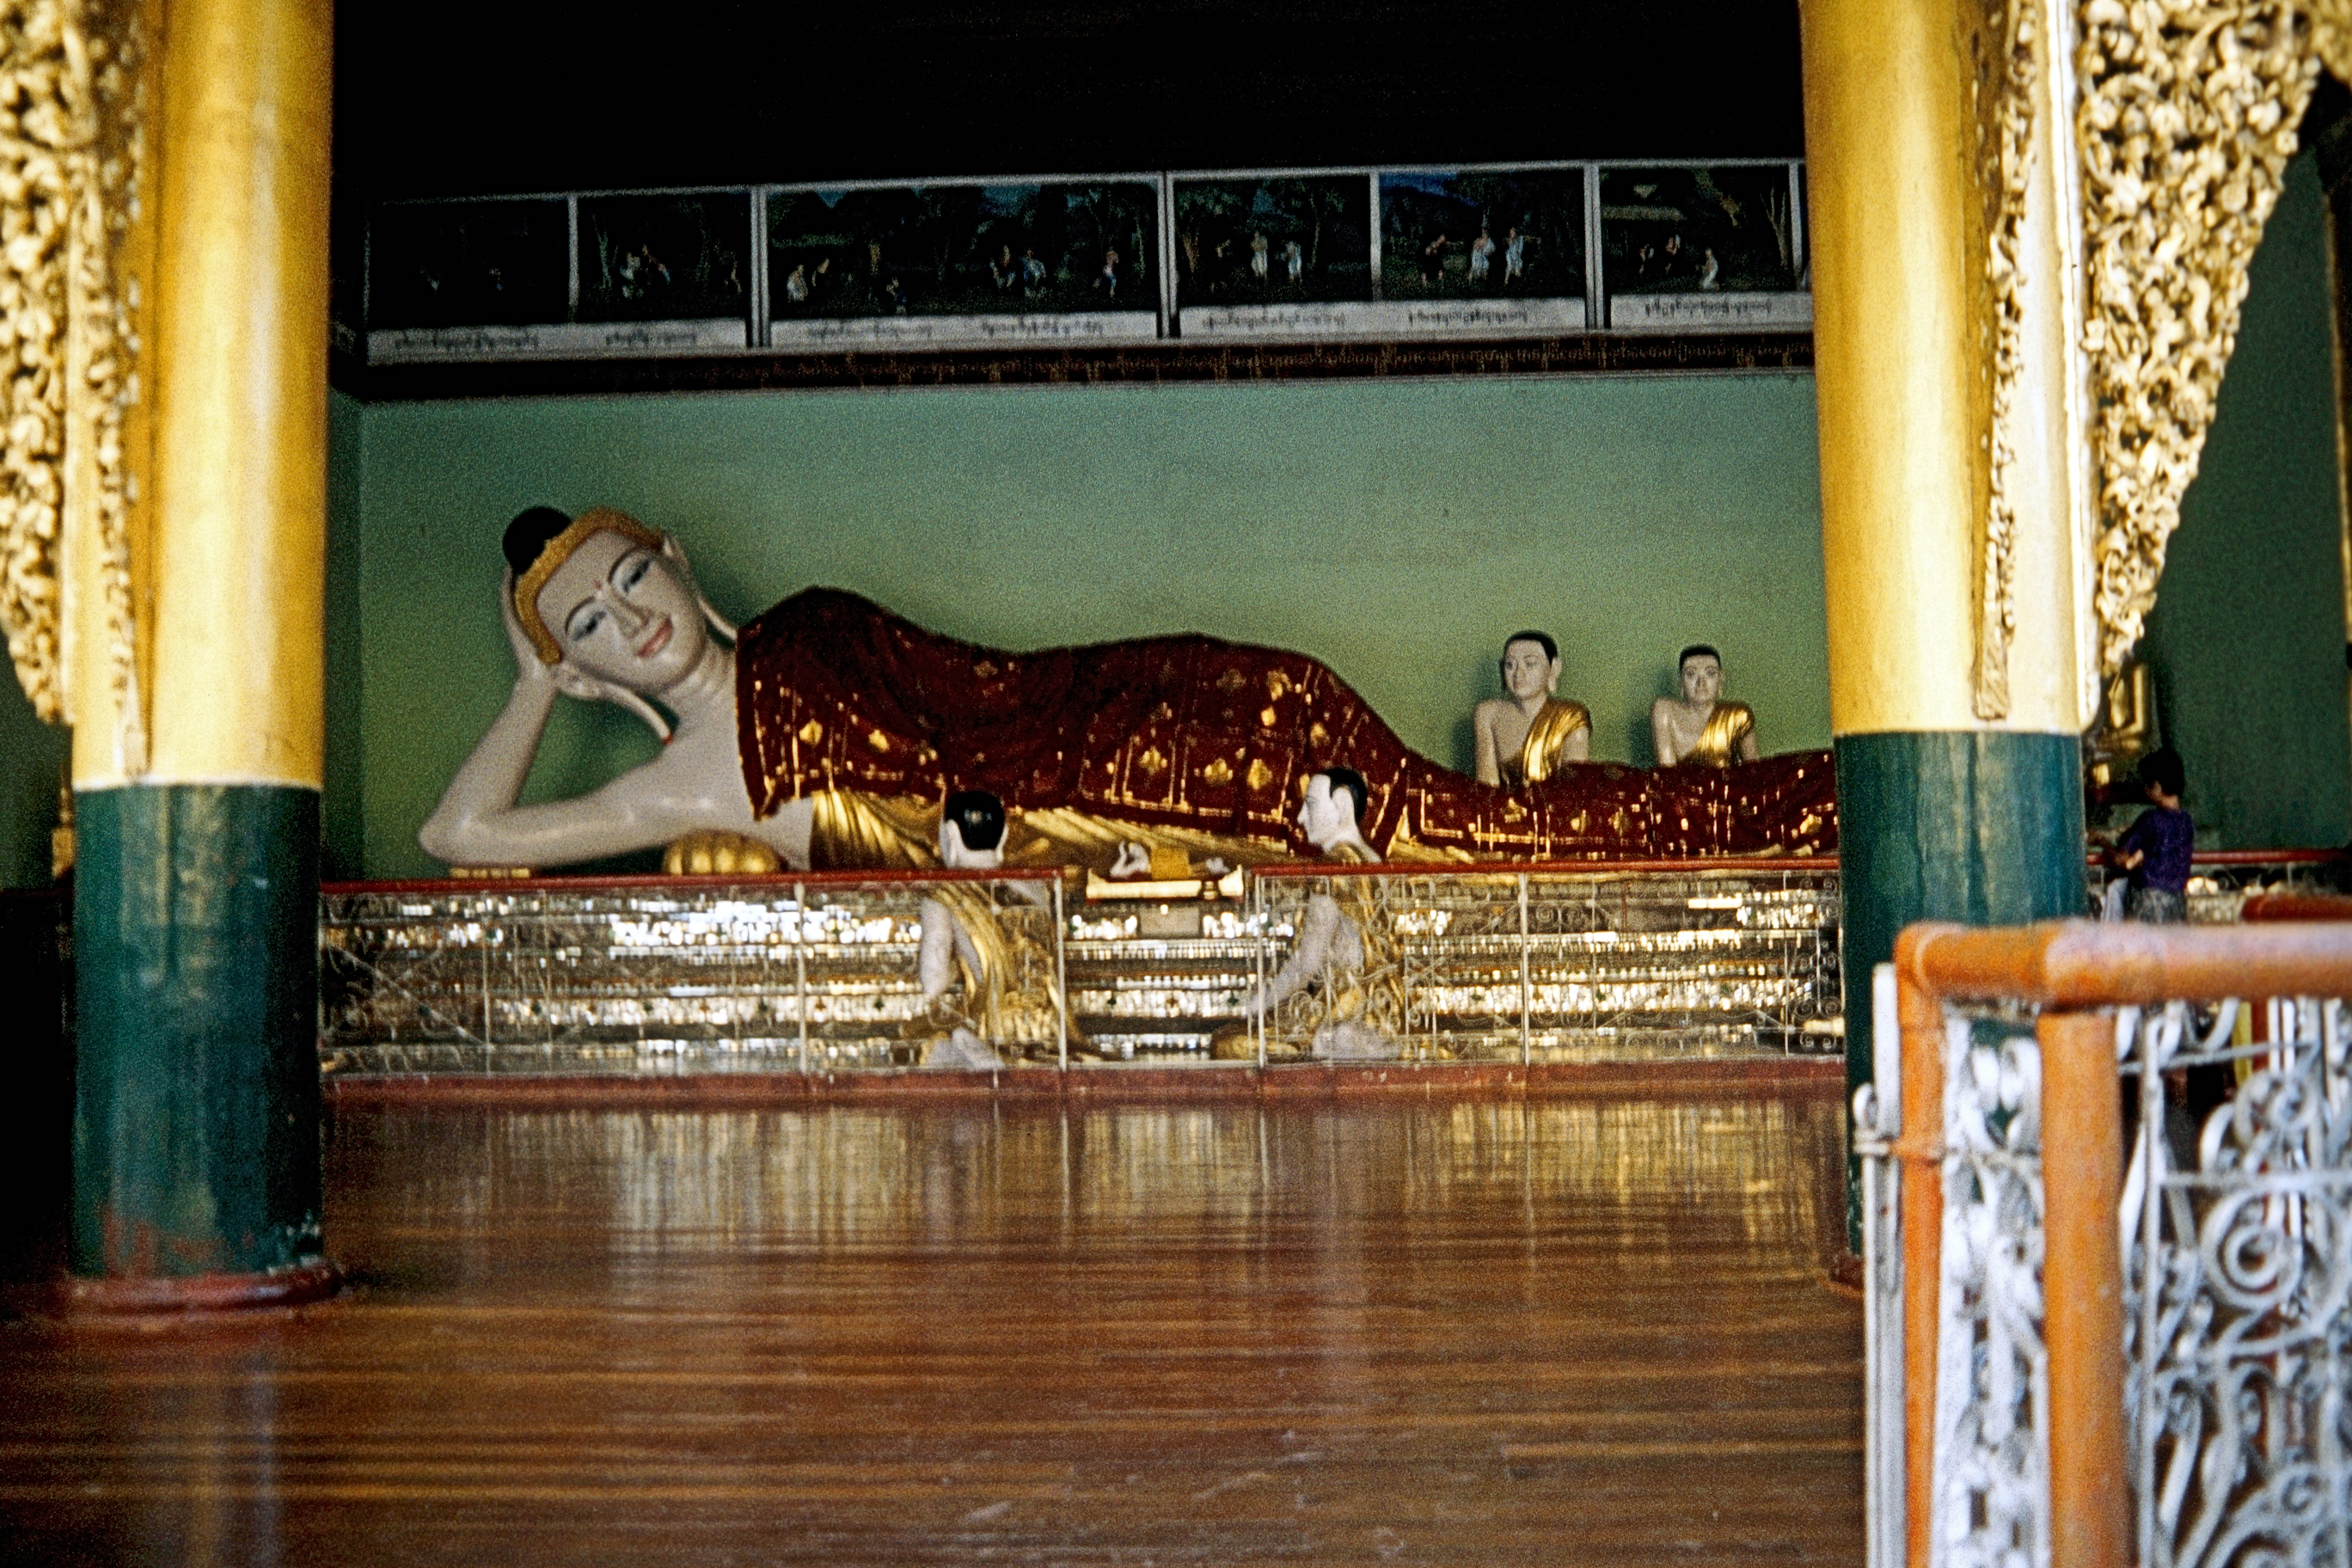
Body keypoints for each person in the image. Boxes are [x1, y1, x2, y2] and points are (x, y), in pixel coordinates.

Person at [421, 508, 1836, 876]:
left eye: (629, 581)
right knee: (1460, 829)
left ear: (671, 560)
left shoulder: (809, 625)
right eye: (590, 629)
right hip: (1105, 799)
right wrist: (529, 686)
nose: (632, 624)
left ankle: (1780, 799)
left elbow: (987, 690)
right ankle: (1793, 801)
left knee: (1449, 808)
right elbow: (459, 834)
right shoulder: (679, 780)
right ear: (586, 661)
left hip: (1132, 700)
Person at [1214, 768, 1400, 1060]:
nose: (1300, 817)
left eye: (1310, 804)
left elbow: (1307, 964)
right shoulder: (1374, 858)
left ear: (1341, 805)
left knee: (1226, 1043)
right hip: (1382, 1011)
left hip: (1342, 1018)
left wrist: (1254, 1005)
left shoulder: (1332, 867)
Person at [916, 789, 1069, 1069]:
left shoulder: (943, 894)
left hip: (991, 1031)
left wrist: (955, 968)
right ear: (1003, 836)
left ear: (951, 833)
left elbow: (933, 983)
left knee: (931, 1046)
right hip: (1049, 1029)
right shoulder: (1036, 887)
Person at [1472, 631, 1590, 787]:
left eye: (1530, 664)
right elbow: (1487, 788)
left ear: (1554, 668)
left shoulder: (1571, 716)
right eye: (1510, 665)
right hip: (1505, 808)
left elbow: (1574, 787)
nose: (1518, 674)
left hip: (1555, 808)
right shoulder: (1489, 714)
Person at [2112, 748, 2192, 922]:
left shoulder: (2151, 820)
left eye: (2146, 784)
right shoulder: (2186, 822)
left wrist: (2102, 843)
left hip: (2146, 902)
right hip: (2177, 902)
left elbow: (2121, 859)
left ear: (2156, 786)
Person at [1651, 645, 1758, 767]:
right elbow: (1668, 775)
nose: (1701, 683)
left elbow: (1753, 772)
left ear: (1721, 678)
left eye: (1710, 674)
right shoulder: (1665, 711)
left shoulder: (1738, 715)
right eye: (1691, 674)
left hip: (1726, 785)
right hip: (1681, 785)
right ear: (1679, 679)